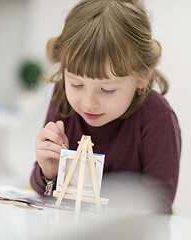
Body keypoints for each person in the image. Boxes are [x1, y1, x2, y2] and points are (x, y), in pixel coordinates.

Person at [30, 0, 181, 213]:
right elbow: (42, 189)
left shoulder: (156, 115)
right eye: (76, 84)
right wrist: (49, 171)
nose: (89, 102)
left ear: (143, 76)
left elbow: (159, 201)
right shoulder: (63, 96)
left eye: (107, 90)